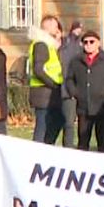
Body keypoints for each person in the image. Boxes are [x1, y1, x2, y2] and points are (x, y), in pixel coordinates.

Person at [66, 31, 104, 152]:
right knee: (83, 141)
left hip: (102, 106)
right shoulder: (76, 60)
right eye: (85, 42)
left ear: (98, 43)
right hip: (84, 107)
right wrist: (74, 92)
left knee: (102, 140)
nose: (88, 45)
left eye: (92, 42)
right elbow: (69, 78)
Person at [27, 15, 68, 146]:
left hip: (48, 91)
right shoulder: (41, 44)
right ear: (48, 27)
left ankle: (46, 148)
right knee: (43, 126)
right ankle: (39, 151)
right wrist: (54, 84)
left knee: (56, 121)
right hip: (44, 92)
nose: (57, 29)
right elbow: (39, 69)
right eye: (55, 26)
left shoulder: (48, 44)